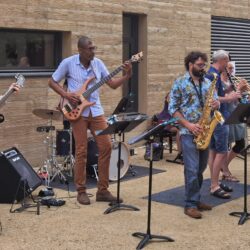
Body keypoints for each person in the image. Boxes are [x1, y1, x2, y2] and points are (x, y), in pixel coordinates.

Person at [48, 36, 132, 205]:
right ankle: (81, 191)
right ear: (80, 50)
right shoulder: (68, 63)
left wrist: (128, 74)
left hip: (96, 111)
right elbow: (52, 81)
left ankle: (103, 190)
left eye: (94, 48)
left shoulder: (98, 64)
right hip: (77, 113)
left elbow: (113, 84)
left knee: (106, 146)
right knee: (81, 150)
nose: (93, 51)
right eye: (90, 49)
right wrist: (65, 95)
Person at [168, 51, 220, 219]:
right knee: (191, 169)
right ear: (190, 64)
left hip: (205, 130)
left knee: (200, 168)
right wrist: (189, 125)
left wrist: (216, 104)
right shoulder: (180, 82)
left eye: (204, 65)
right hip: (188, 131)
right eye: (199, 65)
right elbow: (172, 109)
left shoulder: (207, 82)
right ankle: (190, 204)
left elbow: (216, 102)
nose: (203, 68)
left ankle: (196, 199)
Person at [206, 50, 242, 199]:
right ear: (223, 60)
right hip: (219, 118)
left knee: (214, 151)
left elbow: (218, 93)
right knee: (220, 152)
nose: (228, 65)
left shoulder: (212, 74)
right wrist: (231, 97)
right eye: (227, 62)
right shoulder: (213, 75)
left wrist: (231, 90)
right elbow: (213, 99)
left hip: (217, 117)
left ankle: (215, 183)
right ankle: (214, 185)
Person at [220, 61, 248, 182]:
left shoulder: (232, 81)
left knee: (241, 144)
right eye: (229, 68)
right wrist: (238, 90)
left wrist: (242, 91)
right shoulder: (219, 83)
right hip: (225, 116)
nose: (231, 70)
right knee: (224, 146)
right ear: (223, 68)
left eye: (232, 68)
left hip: (236, 115)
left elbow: (237, 100)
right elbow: (227, 99)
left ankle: (224, 165)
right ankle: (225, 171)